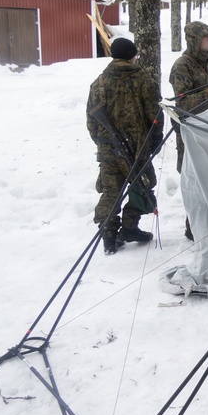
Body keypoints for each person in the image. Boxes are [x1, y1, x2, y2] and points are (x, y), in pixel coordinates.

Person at [86, 38, 163, 255]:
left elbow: (91, 120)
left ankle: (109, 236)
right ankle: (129, 226)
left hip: (108, 148)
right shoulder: (143, 79)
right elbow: (154, 115)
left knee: (111, 191)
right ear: (132, 55)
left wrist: (102, 144)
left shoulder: (99, 82)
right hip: (137, 149)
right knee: (143, 186)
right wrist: (155, 141)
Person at [170, 21, 208, 240]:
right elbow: (180, 103)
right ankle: (192, 226)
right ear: (195, 40)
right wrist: (206, 94)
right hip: (191, 131)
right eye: (206, 36)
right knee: (193, 179)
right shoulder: (182, 65)